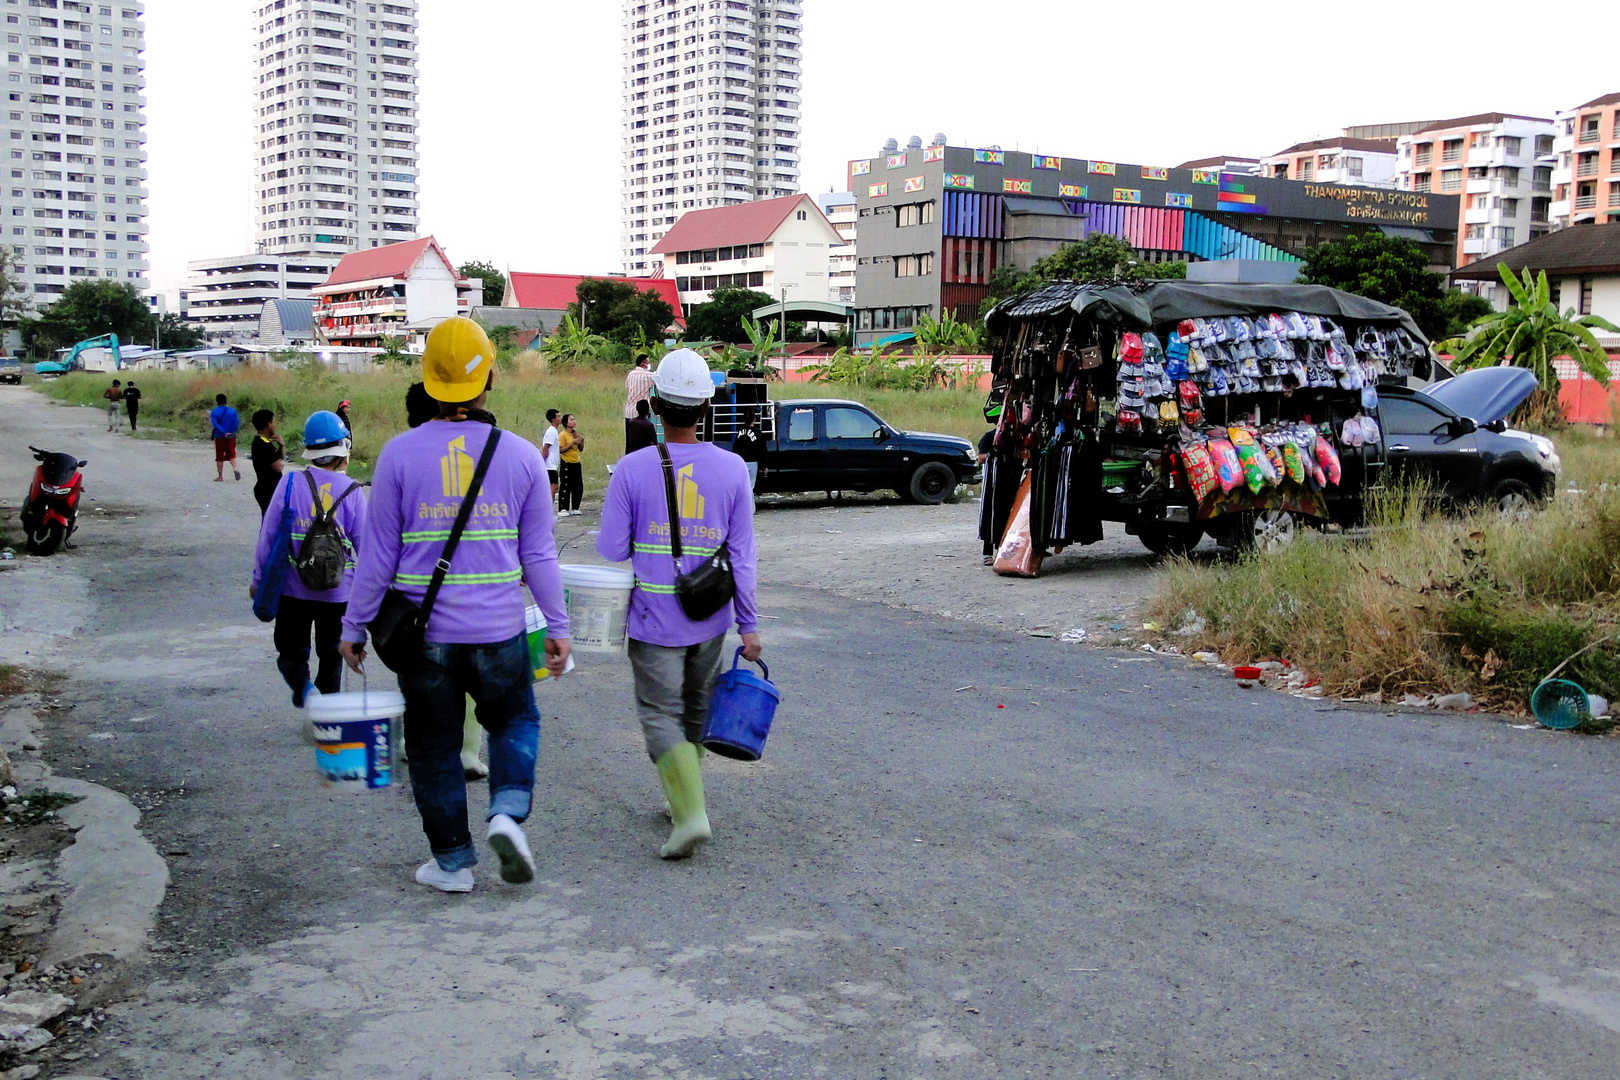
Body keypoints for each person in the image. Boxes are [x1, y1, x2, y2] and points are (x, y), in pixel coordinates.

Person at [338, 318, 572, 894]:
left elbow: (376, 559)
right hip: (498, 631)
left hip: (423, 641)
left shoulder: (396, 457)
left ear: (427, 379)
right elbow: (539, 554)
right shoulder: (520, 457)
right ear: (488, 376)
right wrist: (560, 624)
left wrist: (353, 627)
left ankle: (451, 864)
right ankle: (506, 813)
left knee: (432, 746)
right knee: (515, 717)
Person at [597, 348, 762, 860]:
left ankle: (690, 815)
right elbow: (743, 556)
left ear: (656, 405)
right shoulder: (734, 469)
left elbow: (610, 548)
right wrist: (749, 626)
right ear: (706, 408)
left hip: (653, 621)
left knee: (658, 714)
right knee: (694, 710)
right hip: (710, 618)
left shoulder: (631, 469)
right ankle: (683, 801)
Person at [250, 411, 367, 708]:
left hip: (293, 588)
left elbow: (269, 535)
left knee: (290, 652)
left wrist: (258, 579)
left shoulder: (289, 484)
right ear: (342, 450)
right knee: (331, 654)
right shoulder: (352, 492)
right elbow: (366, 546)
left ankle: (305, 691)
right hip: (339, 591)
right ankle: (327, 714)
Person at [405, 380, 489, 781]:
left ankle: (421, 746)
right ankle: (469, 751)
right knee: (472, 684)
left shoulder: (404, 455)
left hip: (418, 605)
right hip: (477, 600)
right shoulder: (483, 452)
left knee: (425, 682)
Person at [249, 409, 286, 516]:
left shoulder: (262, 442)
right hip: (268, 489)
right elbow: (278, 467)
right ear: (268, 424)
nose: (274, 426)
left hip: (266, 488)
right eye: (273, 423)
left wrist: (281, 446)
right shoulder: (264, 444)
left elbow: (276, 458)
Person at [730, 407, 764, 493]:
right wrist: (764, 465)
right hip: (752, 462)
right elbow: (762, 449)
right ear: (754, 419)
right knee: (750, 487)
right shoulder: (757, 432)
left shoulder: (740, 431)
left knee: (742, 486)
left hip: (741, 462)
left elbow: (735, 447)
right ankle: (750, 506)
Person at [557, 413, 584, 517]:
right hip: (566, 462)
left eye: (574, 419)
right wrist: (572, 443)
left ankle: (575, 507)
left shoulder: (575, 434)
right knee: (566, 485)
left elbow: (581, 449)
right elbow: (561, 449)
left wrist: (581, 441)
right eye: (571, 419)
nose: (574, 421)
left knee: (578, 485)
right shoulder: (563, 435)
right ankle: (563, 507)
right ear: (566, 423)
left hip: (576, 462)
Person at [209, 393, 241, 482]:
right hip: (231, 436)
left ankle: (220, 476)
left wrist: (223, 432)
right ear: (226, 401)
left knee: (219, 456)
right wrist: (231, 432)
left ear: (217, 401)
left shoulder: (214, 412)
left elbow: (215, 424)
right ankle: (235, 469)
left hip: (219, 436)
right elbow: (236, 423)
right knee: (232, 454)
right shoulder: (233, 411)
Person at [624, 353, 654, 443]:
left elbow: (627, 386)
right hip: (641, 414)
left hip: (629, 412)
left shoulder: (631, 374)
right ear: (643, 363)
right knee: (643, 443)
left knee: (630, 443)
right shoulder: (648, 376)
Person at [541, 409, 561, 503]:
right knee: (553, 486)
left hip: (552, 464)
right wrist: (543, 461)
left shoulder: (554, 431)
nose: (560, 418)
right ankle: (549, 506)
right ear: (553, 419)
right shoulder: (552, 431)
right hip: (550, 464)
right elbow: (546, 447)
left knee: (553, 486)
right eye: (558, 417)